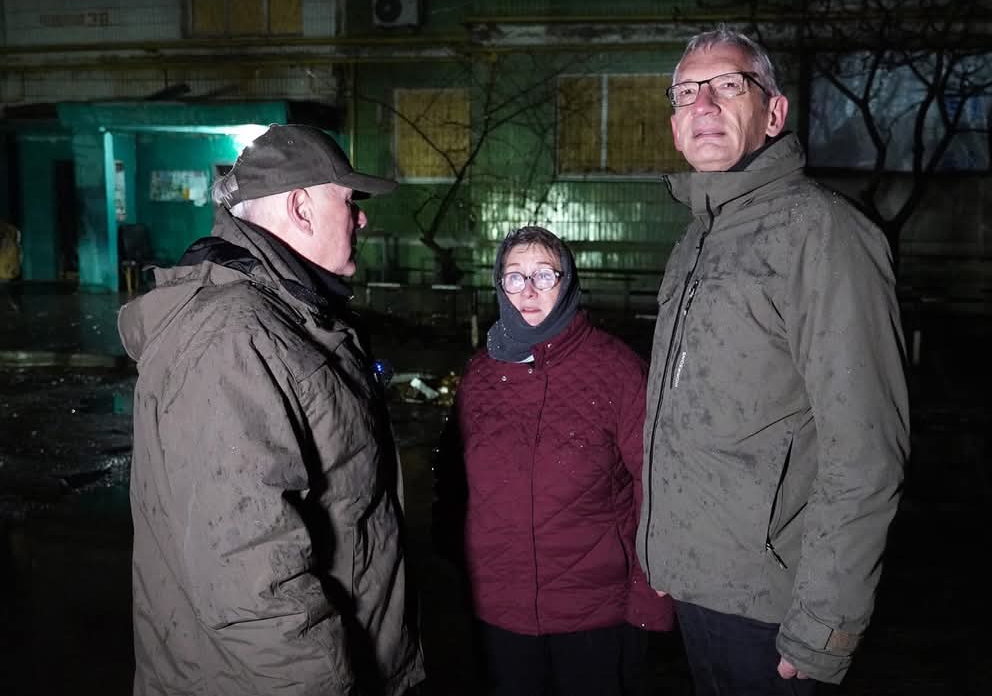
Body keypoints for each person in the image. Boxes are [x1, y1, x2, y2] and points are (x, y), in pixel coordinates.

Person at [636, 27, 910, 695]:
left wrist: (825, 624)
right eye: (686, 93)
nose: (703, 105)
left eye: (728, 85)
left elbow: (866, 448)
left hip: (771, 605)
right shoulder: (696, 239)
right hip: (698, 583)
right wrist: (665, 549)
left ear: (774, 112)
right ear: (674, 126)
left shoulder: (821, 233)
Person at [118, 124, 425, 696]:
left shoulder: (288, 315)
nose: (361, 219)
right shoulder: (234, 338)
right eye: (348, 201)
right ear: (301, 208)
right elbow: (250, 575)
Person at [433, 226, 673, 696]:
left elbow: (657, 485)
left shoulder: (616, 370)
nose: (528, 290)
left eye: (544, 275)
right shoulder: (480, 374)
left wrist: (650, 597)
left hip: (596, 614)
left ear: (567, 283)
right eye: (514, 276)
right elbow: (455, 478)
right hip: (500, 612)